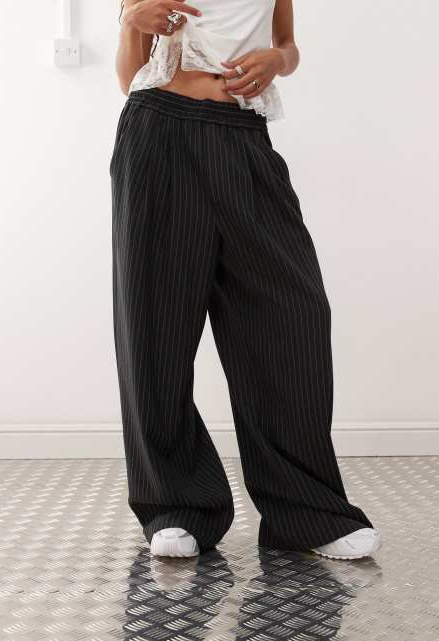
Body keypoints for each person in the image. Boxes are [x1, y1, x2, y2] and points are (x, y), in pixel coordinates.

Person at [111, 0, 382, 560]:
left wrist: (277, 62)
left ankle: (305, 513)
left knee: (293, 316)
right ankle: (175, 505)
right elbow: (129, 77)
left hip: (244, 136)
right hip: (159, 132)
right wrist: (130, 22)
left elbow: (287, 44)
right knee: (156, 326)